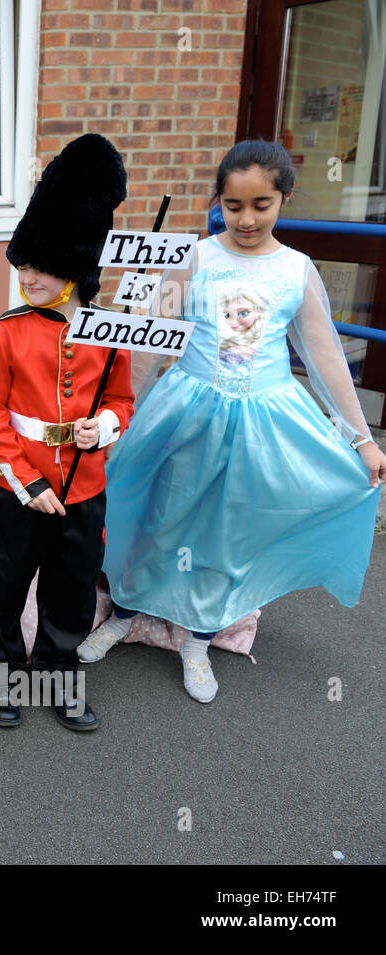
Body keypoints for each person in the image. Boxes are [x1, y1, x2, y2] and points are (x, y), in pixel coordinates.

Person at [82, 140, 385, 702]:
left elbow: (324, 359)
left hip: (260, 423)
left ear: (283, 199)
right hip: (187, 412)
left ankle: (197, 637)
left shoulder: (296, 270)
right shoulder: (194, 258)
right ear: (217, 200)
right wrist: (116, 415)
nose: (246, 219)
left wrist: (361, 439)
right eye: (233, 205)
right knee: (157, 512)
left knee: (227, 531)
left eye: (261, 205)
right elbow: (149, 346)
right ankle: (125, 611)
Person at [0, 134, 132, 732]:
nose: (27, 277)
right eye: (23, 265)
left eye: (40, 266)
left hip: (85, 486)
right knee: (6, 587)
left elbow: (122, 401)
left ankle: (59, 676)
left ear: (75, 266)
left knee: (71, 591)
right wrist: (27, 479)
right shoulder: (8, 330)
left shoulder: (112, 330)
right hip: (22, 485)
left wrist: (105, 426)